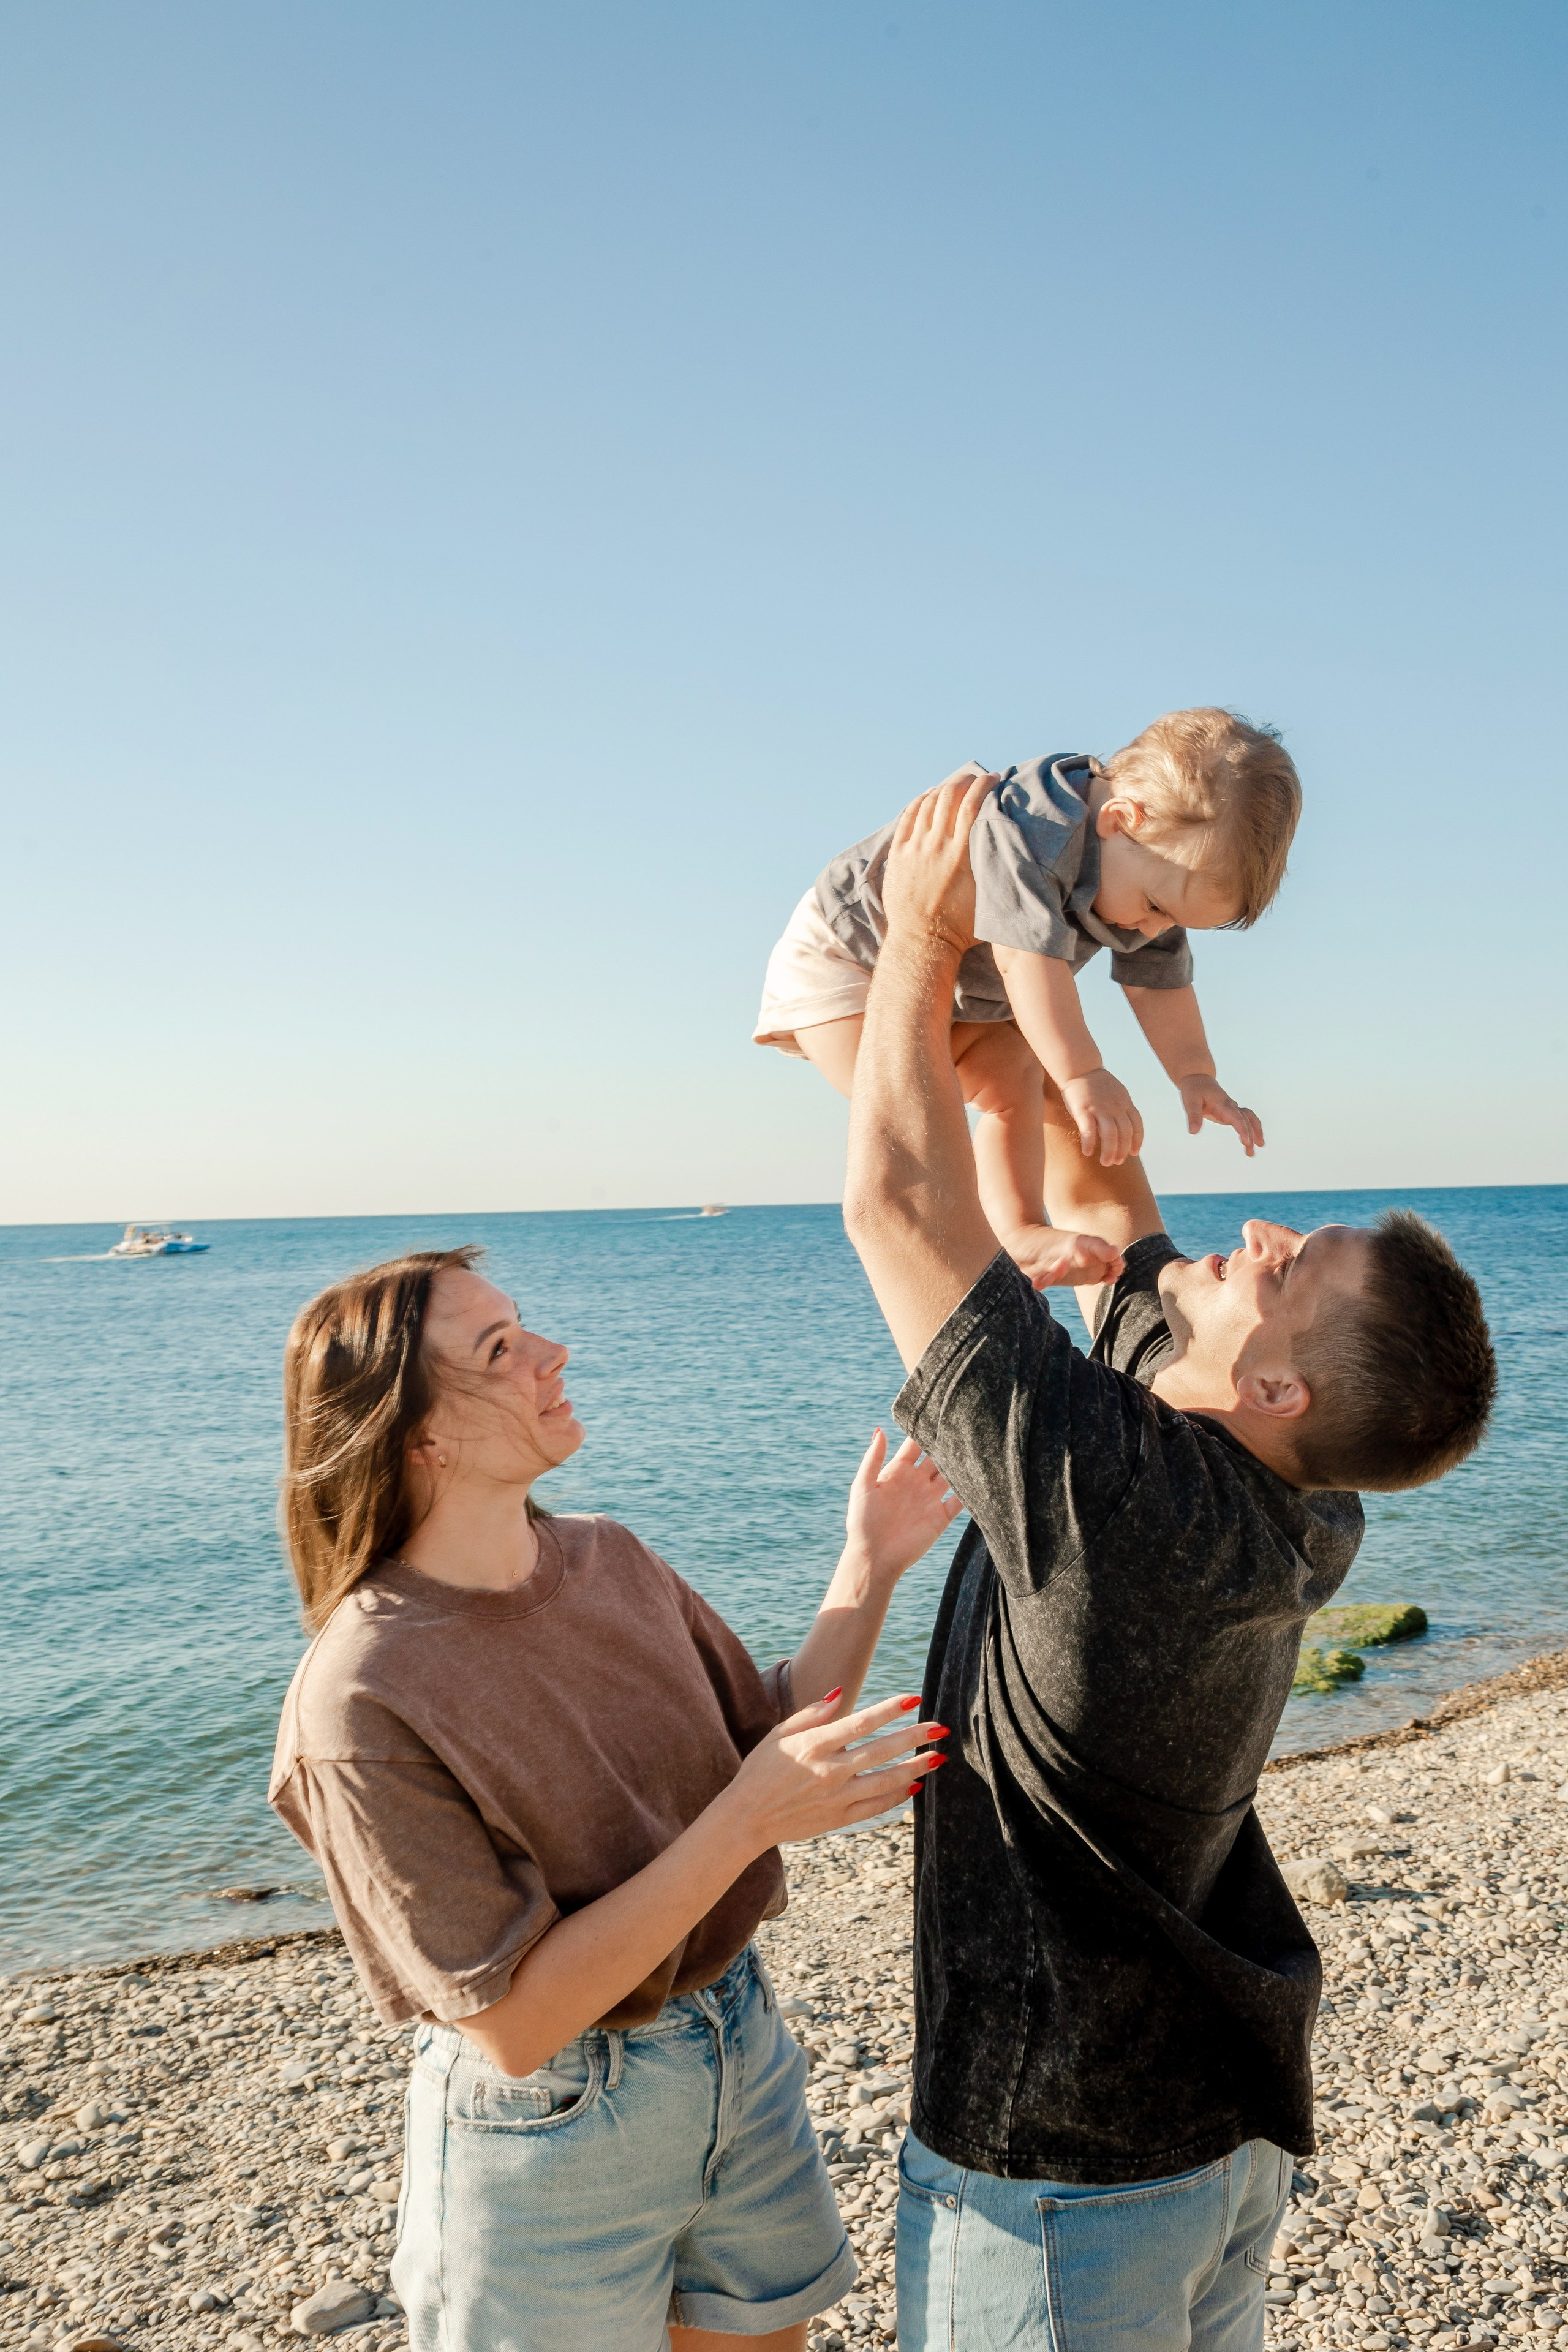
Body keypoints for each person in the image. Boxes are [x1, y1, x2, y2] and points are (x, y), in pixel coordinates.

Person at [839, 772, 1498, 2352]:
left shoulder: (1126, 1500)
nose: (1258, 1234)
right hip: (1204, 2141)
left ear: (1275, 1392)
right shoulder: (1299, 1499)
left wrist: (929, 935)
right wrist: (1095, 1072)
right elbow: (1127, 1228)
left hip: (1060, 2184)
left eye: (1291, 1266)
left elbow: (892, 1201)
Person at [268, 1245, 957, 2352]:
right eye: (500, 1349)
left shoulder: (610, 1556)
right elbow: (516, 2021)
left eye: (525, 1327)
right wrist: (749, 1821)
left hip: (741, 2041)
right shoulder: (359, 1698)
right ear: (419, 1439)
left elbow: (758, 1738)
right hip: (555, 2130)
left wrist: (868, 1567)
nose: (552, 1353)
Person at [754, 709, 1300, 1291]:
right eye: (1156, 909)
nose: (1149, 930)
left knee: (1013, 1078)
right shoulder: (1033, 830)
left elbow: (1160, 983)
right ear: (1119, 819)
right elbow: (1025, 959)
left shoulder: (1154, 867)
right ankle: (932, 1257)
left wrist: (1196, 1075)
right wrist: (1084, 1072)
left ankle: (1019, 1231)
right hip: (845, 961)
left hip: (964, 989)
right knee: (913, 1104)